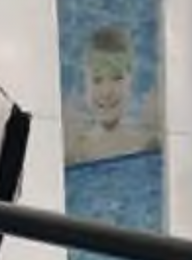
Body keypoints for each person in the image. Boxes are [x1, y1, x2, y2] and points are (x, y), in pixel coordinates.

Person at [65, 26, 160, 165]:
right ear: (84, 82)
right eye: (97, 80)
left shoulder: (148, 144)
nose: (106, 92)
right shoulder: (75, 153)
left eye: (117, 78)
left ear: (131, 79)